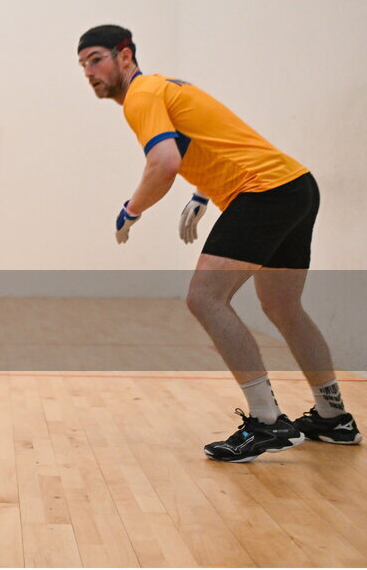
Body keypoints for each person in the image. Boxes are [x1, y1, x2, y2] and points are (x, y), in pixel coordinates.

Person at [77, 24, 361, 462]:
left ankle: (268, 422)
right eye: (83, 65)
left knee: (204, 298)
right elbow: (214, 136)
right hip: (295, 186)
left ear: (126, 56)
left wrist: (132, 209)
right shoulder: (167, 87)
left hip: (264, 192)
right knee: (284, 308)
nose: (89, 71)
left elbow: (164, 162)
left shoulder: (141, 95)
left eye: (96, 59)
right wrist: (202, 192)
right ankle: (334, 418)